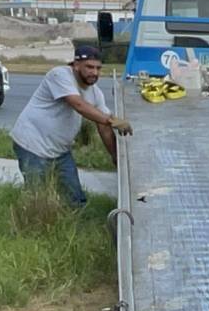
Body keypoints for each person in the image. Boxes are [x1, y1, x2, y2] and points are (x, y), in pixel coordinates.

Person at [10, 45, 133, 207]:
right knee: (38, 196)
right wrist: (110, 120)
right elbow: (78, 105)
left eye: (98, 68)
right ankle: (32, 226)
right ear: (75, 65)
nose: (94, 73)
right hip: (32, 144)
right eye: (89, 67)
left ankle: (73, 224)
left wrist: (115, 156)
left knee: (75, 200)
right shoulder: (59, 75)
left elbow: (103, 127)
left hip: (60, 151)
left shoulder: (95, 92)